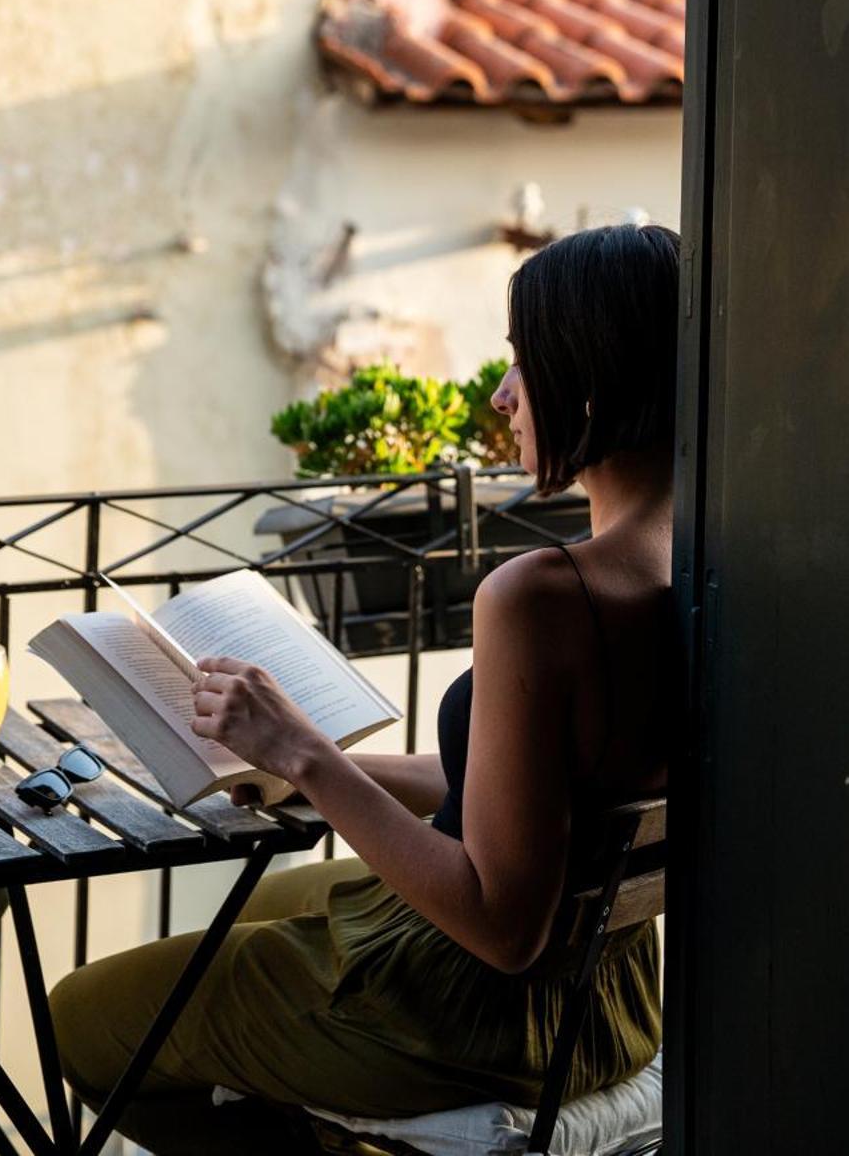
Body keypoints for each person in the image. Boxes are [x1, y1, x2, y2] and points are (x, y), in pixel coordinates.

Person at [50, 224, 677, 1156]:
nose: (502, 396)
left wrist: (302, 752)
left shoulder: (544, 595)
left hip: (477, 1016)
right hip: (607, 993)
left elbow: (501, 927)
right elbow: (510, 788)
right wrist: (300, 767)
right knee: (265, 916)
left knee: (79, 1017)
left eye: (519, 363)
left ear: (587, 380)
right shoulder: (696, 556)